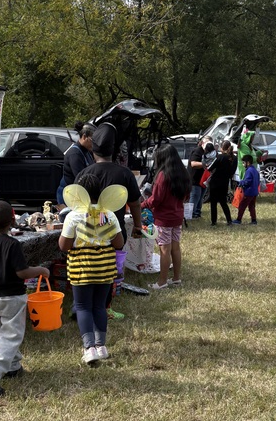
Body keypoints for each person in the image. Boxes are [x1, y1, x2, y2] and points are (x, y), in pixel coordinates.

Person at [0, 200, 50, 397]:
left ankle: (12, 367)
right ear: (12, 221)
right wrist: (40, 270)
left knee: (2, 333)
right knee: (12, 335)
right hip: (12, 296)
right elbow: (22, 272)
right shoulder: (12, 244)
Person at [59, 169, 125, 366]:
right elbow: (119, 243)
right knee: (99, 306)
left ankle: (89, 349)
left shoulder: (73, 216)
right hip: (105, 268)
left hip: (82, 268)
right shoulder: (109, 214)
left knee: (83, 307)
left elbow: (64, 246)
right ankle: (101, 346)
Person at [83, 122, 144, 320]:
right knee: (110, 270)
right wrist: (137, 226)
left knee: (87, 267)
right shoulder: (124, 173)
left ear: (93, 149)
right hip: (114, 234)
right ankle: (105, 307)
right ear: (113, 150)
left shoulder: (84, 173)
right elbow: (135, 203)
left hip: (87, 233)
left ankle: (84, 307)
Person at [144, 142, 191, 288]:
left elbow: (156, 199)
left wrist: (141, 205)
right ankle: (176, 278)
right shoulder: (183, 173)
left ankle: (162, 282)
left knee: (164, 250)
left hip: (163, 218)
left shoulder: (162, 175)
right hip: (177, 217)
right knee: (175, 248)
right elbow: (187, 196)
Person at [56, 124, 95, 203]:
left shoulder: (87, 151)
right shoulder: (75, 154)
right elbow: (80, 177)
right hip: (69, 195)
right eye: (92, 140)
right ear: (84, 137)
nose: (94, 143)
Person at [207, 139, 236, 225]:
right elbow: (232, 172)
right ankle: (229, 220)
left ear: (222, 148)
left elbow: (210, 168)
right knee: (223, 202)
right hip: (225, 182)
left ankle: (214, 221)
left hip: (215, 182)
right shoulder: (234, 158)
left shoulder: (220, 157)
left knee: (213, 203)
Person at [232, 154, 260, 224]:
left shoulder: (249, 171)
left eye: (243, 162)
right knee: (252, 206)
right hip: (254, 192)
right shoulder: (255, 170)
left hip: (248, 192)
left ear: (248, 163)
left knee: (242, 206)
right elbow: (258, 181)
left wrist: (241, 182)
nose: (243, 164)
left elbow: (247, 181)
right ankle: (254, 220)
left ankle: (238, 220)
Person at [188, 137, 208, 219]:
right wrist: (205, 164)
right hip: (195, 178)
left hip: (203, 179)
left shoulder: (208, 152)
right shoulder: (197, 151)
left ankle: (197, 213)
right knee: (195, 196)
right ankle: (190, 214)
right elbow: (193, 163)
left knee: (200, 197)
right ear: (202, 143)